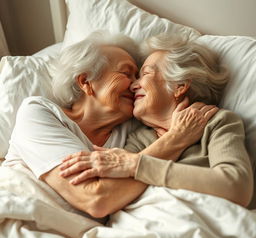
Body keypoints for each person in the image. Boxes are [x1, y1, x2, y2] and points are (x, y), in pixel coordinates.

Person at [2, 31, 216, 219]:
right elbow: (95, 199)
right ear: (85, 81)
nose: (135, 84)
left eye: (139, 76)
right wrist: (176, 139)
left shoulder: (133, 132)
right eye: (125, 73)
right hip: (17, 218)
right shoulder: (39, 112)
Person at [58, 34, 253, 208]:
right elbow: (109, 195)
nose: (133, 85)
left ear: (180, 85)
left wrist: (136, 165)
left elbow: (236, 187)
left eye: (146, 74)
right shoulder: (137, 138)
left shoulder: (215, 122)